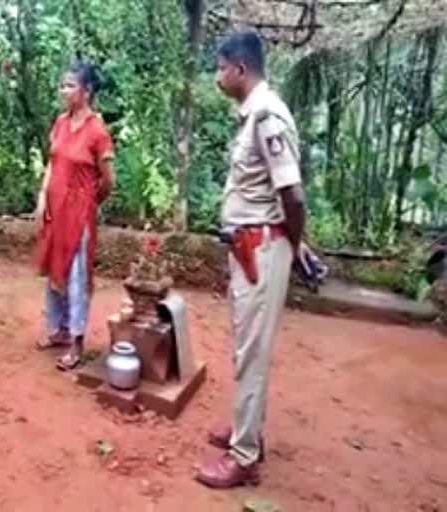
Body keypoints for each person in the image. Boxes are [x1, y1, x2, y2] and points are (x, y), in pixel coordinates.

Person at [195, 32, 306, 488]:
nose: (217, 75)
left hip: (262, 246)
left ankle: (245, 455)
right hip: (250, 245)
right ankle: (247, 431)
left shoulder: (266, 115)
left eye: (220, 68)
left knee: (253, 351)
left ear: (239, 69)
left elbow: (292, 194)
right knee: (246, 344)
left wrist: (295, 247)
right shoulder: (252, 115)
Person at [34, 60, 116, 371]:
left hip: (79, 212)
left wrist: (90, 202)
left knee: (77, 274)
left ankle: (77, 341)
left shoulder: (97, 131)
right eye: (63, 84)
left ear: (87, 91)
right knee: (55, 267)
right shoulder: (60, 122)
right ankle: (58, 329)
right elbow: (53, 164)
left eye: (70, 85)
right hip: (56, 207)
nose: (63, 90)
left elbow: (109, 179)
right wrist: (43, 197)